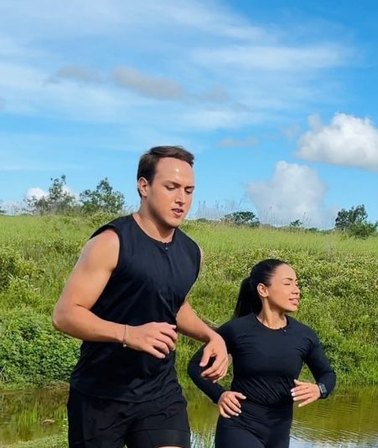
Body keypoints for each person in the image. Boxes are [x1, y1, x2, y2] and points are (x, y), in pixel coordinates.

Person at [52, 145, 229, 448]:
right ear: (143, 186)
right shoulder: (111, 242)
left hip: (159, 394)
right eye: (171, 187)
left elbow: (174, 304)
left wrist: (211, 336)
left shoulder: (191, 252)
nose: (181, 199)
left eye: (188, 190)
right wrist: (127, 333)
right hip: (101, 395)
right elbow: (66, 314)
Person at [188, 258, 336, 448]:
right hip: (239, 425)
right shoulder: (237, 330)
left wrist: (319, 389)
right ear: (263, 290)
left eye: (297, 284)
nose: (296, 290)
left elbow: (327, 375)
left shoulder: (304, 335)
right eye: (287, 283)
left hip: (279, 431)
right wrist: (220, 395)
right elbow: (195, 366)